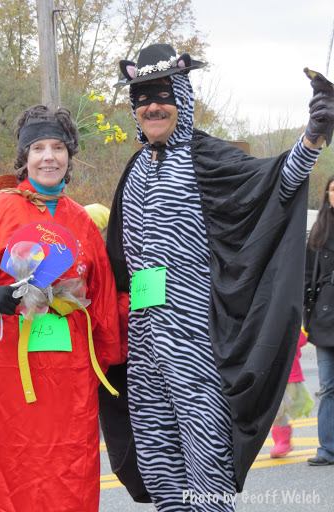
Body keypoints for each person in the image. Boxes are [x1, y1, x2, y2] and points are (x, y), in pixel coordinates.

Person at [99, 43, 334, 511]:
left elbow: (274, 186)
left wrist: (312, 137)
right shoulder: (136, 168)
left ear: (182, 97)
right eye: (142, 97)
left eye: (163, 93)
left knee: (207, 477)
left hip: (196, 351)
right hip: (144, 350)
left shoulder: (206, 157)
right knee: (160, 469)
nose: (152, 105)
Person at [0, 105, 125, 512]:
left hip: (70, 378)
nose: (49, 156)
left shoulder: (81, 220)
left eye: (59, 147)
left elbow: (102, 300)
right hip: (7, 374)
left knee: (69, 471)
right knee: (9, 470)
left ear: (69, 156)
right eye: (39, 148)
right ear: (24, 157)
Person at [304, 174, 334, 467]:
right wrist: (306, 315)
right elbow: (305, 276)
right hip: (325, 317)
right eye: (333, 190)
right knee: (327, 386)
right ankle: (327, 448)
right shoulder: (320, 229)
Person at [270, 329, 314, 458]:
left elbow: (301, 340)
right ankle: (282, 442)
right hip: (271, 376)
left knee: (280, 410)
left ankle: (283, 442)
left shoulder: (290, 323)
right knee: (275, 412)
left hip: (289, 376)